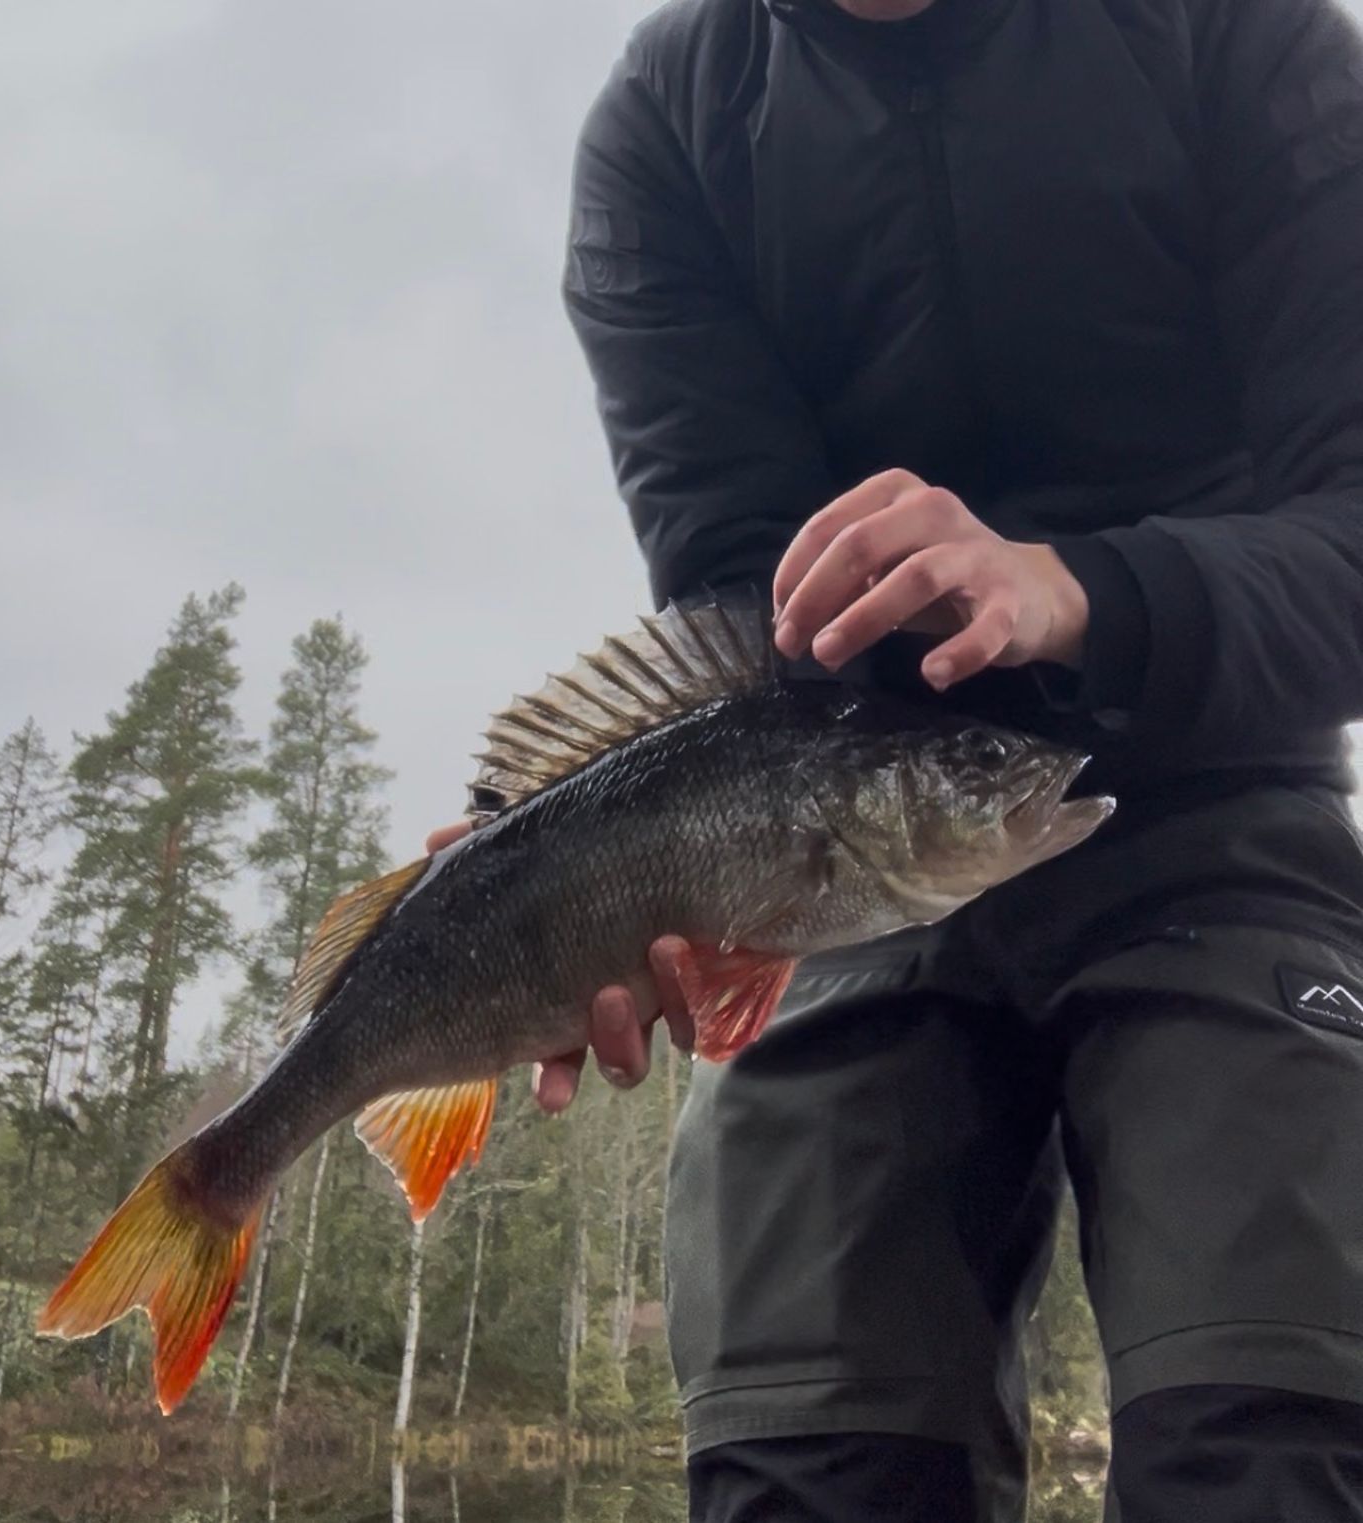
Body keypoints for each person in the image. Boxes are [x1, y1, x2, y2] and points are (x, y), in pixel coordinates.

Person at [443, 0, 1363, 1515]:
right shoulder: (671, 119)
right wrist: (563, 867)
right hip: (832, 862)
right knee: (804, 1454)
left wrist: (1079, 592)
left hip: (1220, 803)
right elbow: (738, 626)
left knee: (1270, 1437)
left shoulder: (1239, 35)